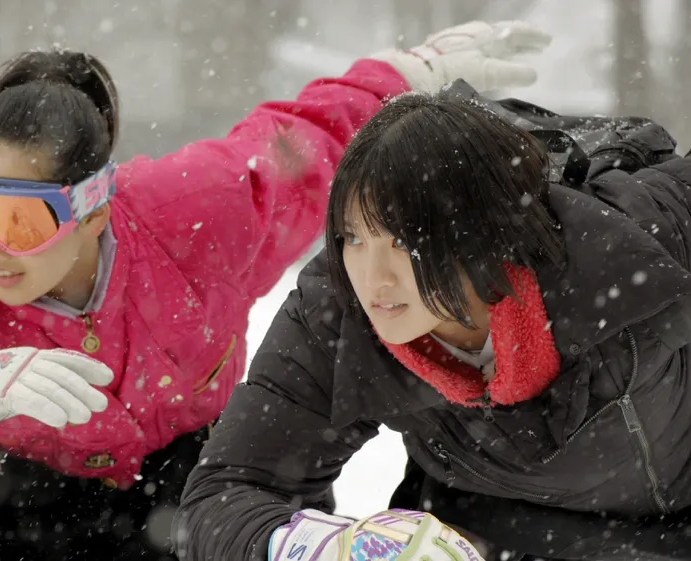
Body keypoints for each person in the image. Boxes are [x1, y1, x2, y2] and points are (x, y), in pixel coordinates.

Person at [0, 21, 549, 561]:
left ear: (92, 203)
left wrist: (407, 78)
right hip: (12, 519)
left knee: (248, 497)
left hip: (175, 506)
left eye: (19, 217)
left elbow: (305, 141)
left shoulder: (197, 215)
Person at [172, 85, 691, 561]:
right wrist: (318, 547)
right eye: (354, 237)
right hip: (488, 538)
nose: (374, 277)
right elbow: (226, 492)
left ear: (487, 235)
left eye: (404, 240)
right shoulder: (338, 309)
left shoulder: (630, 242)